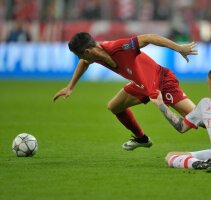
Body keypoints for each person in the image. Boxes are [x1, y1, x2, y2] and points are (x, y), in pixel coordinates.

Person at [52, 32, 198, 151]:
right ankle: (142, 139)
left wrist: (179, 48)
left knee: (198, 117)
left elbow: (149, 38)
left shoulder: (119, 47)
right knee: (114, 106)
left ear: (87, 51)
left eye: (79, 55)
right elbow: (84, 62)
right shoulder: (94, 56)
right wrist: (70, 87)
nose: (80, 58)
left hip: (162, 81)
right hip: (140, 85)